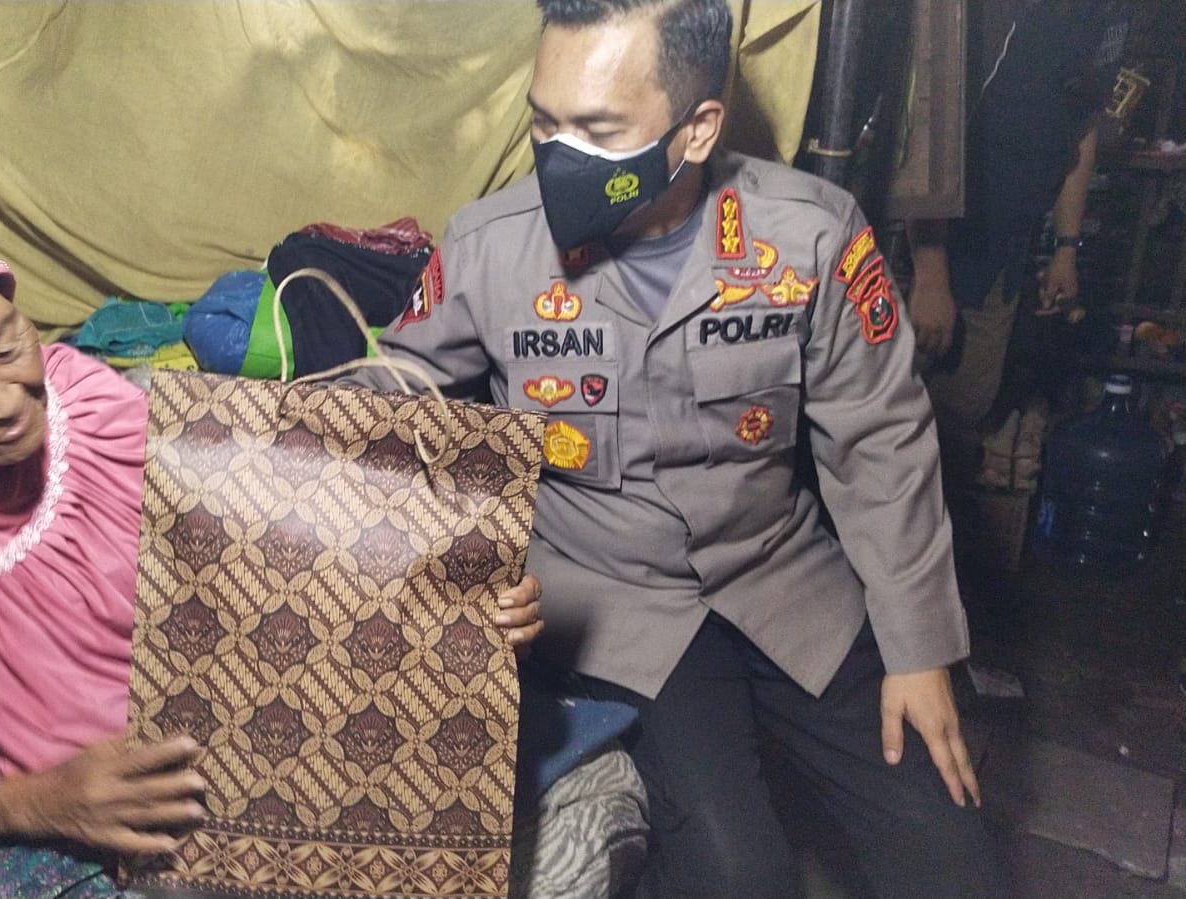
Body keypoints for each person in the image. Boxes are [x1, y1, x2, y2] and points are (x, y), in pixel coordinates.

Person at [344, 0, 1009, 896]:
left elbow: (880, 438)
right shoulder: (489, 246)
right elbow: (389, 403)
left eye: (597, 130)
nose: (558, 155)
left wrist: (917, 647)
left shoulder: (808, 235)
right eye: (543, 122)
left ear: (697, 129)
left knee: (950, 859)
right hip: (612, 601)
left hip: (780, 578)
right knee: (738, 874)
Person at [0, 187, 544, 898]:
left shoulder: (86, 405)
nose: (5, 399)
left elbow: (281, 540)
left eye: (4, 345)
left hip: (223, 736)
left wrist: (459, 599)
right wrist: (35, 802)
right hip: (52, 802)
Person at [909, 0, 1122, 495]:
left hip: (1003, 251)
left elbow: (1082, 132)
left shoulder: (1105, 18)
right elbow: (926, 128)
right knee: (876, 415)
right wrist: (931, 275)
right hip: (925, 245)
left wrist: (1066, 248)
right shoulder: (988, 13)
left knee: (960, 417)